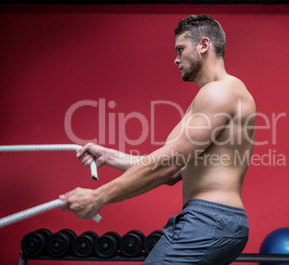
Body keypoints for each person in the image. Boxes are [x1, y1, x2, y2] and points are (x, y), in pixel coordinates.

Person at [61, 14, 256, 264]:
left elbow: (169, 163)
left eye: (180, 49)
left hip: (208, 220)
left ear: (204, 45)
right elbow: (177, 172)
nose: (176, 59)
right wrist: (109, 157)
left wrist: (99, 197)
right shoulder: (215, 96)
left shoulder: (220, 92)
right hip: (216, 221)